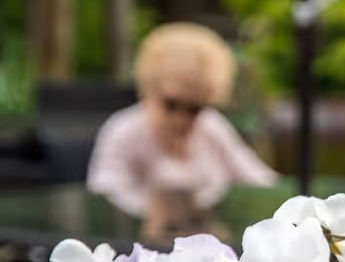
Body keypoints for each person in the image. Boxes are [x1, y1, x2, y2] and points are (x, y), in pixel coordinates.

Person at [87, 23, 278, 220]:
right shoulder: (123, 130)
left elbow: (261, 182)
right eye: (171, 104)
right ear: (148, 88)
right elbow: (104, 196)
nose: (181, 119)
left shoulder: (211, 126)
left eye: (195, 108)